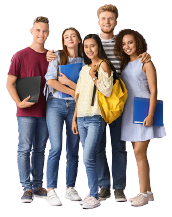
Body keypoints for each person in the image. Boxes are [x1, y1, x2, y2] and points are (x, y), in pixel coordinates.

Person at [45, 4, 151, 202]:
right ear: (98, 21)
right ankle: (104, 186)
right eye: (103, 18)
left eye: (110, 19)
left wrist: (145, 55)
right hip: (95, 104)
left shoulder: (120, 42)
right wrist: (51, 54)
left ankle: (119, 187)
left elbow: (134, 51)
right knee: (98, 147)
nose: (107, 22)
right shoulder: (91, 41)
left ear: (116, 22)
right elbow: (77, 56)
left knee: (119, 146)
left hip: (118, 101)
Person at [114, 28, 166, 207]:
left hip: (144, 109)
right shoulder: (124, 64)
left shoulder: (147, 63)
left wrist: (151, 114)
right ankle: (148, 192)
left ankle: (142, 194)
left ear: (137, 42)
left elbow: (154, 91)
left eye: (130, 42)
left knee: (139, 152)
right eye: (124, 44)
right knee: (138, 154)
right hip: (129, 110)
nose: (127, 46)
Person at [72, 34, 123, 209]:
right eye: (86, 46)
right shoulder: (83, 68)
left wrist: (94, 75)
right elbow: (77, 96)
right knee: (92, 156)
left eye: (92, 46)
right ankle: (95, 190)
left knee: (88, 157)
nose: (89, 49)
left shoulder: (103, 65)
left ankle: (95, 196)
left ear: (98, 46)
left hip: (95, 118)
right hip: (81, 118)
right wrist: (74, 119)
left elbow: (107, 91)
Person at [6, 16, 50, 203]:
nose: (41, 34)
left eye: (45, 30)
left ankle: (38, 186)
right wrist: (19, 103)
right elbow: (9, 83)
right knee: (25, 149)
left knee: (40, 149)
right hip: (25, 112)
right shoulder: (20, 55)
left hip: (47, 111)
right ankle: (26, 188)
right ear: (31, 31)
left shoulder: (51, 56)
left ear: (48, 33)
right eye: (38, 30)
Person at [45, 27, 83, 206]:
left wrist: (70, 86)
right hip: (55, 105)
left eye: (73, 36)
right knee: (56, 147)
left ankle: (70, 187)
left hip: (76, 106)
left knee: (73, 148)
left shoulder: (85, 60)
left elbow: (87, 89)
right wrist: (74, 89)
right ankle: (51, 189)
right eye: (66, 37)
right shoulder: (57, 57)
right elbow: (51, 81)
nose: (70, 39)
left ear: (79, 40)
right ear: (63, 40)